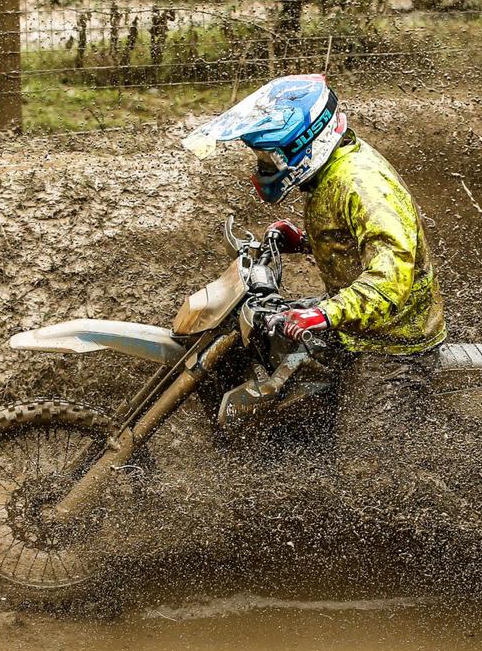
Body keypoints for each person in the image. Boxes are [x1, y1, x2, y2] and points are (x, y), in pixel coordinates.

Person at [182, 74, 447, 456]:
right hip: (355, 322)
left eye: (269, 158)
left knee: (365, 470)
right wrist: (306, 241)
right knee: (281, 382)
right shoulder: (330, 173)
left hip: (392, 343)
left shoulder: (363, 184)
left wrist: (321, 314)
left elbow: (390, 278)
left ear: (304, 144)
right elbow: (356, 238)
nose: (262, 168)